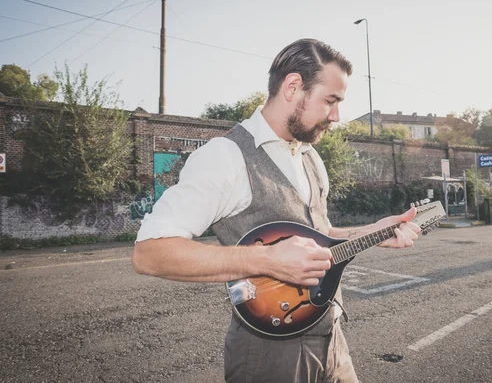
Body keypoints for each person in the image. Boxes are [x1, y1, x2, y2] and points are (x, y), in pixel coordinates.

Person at [133, 38, 421, 383]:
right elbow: (149, 253)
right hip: (269, 356)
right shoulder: (225, 157)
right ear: (293, 87)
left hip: (332, 340)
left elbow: (321, 236)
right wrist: (267, 260)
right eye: (330, 101)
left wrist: (375, 231)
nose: (337, 116)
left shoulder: (309, 156)